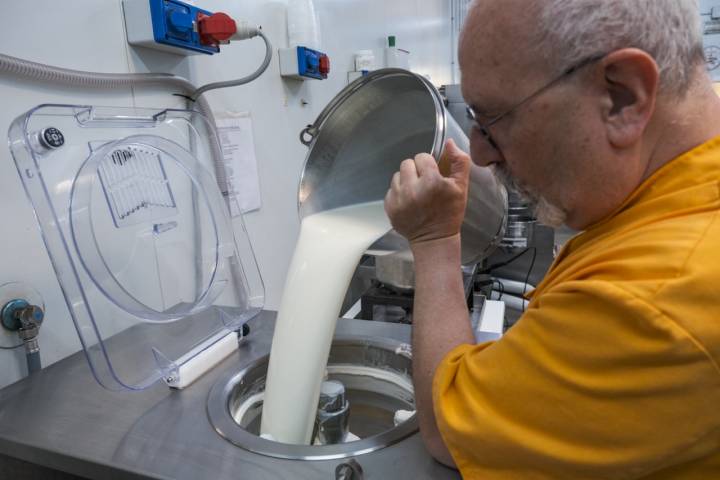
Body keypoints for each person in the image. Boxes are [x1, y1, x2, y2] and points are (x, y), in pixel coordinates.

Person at [384, 0, 720, 478]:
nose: (479, 154)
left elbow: (446, 431)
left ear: (622, 98)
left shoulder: (652, 300)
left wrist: (435, 239)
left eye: (494, 119)